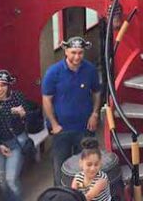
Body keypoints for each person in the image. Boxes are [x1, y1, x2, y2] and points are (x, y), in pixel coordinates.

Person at [42, 37, 102, 186]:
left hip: (84, 128)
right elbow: (46, 100)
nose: (77, 56)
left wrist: (95, 113)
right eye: (73, 52)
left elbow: (96, 93)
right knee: (60, 168)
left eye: (80, 53)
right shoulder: (53, 72)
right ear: (66, 51)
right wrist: (54, 124)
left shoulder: (90, 70)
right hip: (61, 130)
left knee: (86, 168)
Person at [0, 70, 30, 201]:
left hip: (16, 142)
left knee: (11, 179)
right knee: (2, 179)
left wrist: (23, 115)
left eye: (3, 85)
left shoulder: (17, 97)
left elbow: (28, 121)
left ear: (9, 85)